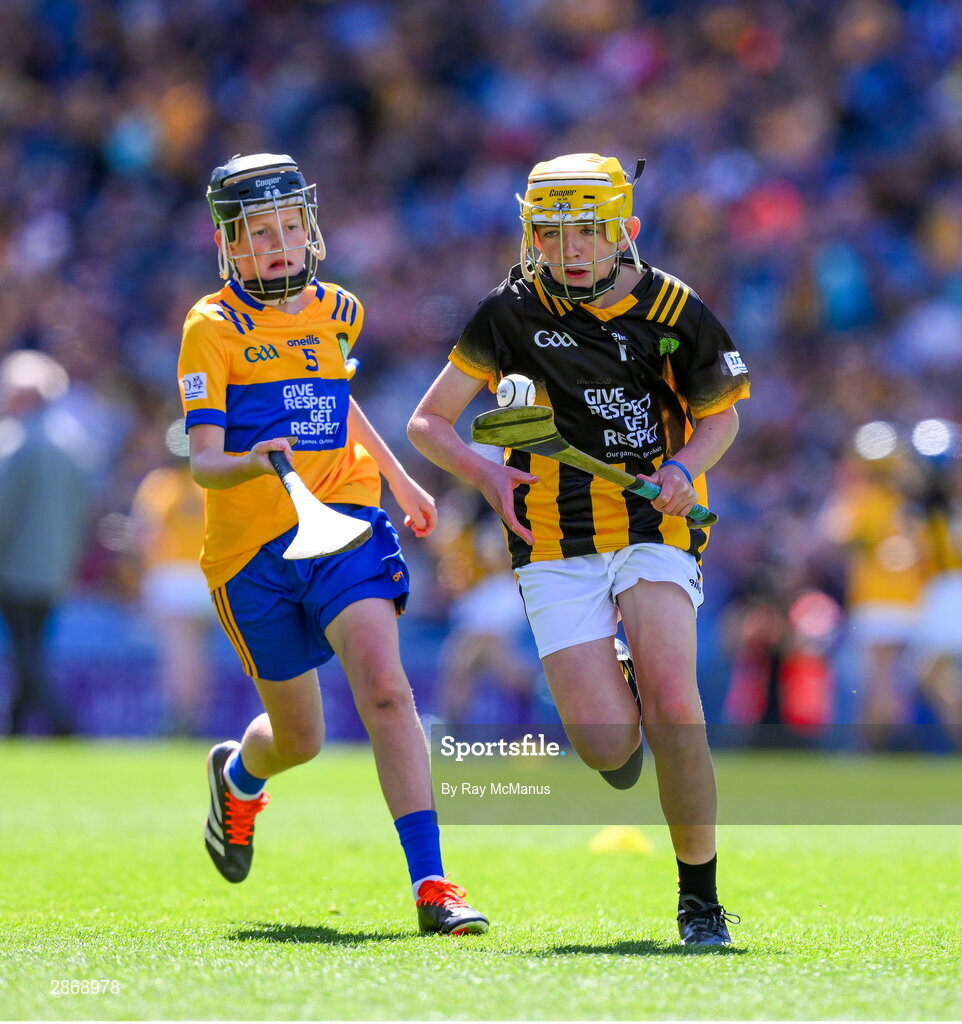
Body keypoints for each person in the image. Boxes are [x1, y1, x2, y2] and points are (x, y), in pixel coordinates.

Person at [408, 153, 750, 945]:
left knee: (676, 705)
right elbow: (428, 422)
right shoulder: (509, 312)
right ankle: (621, 687)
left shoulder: (674, 308)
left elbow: (721, 417)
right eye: (550, 232)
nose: (567, 249)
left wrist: (681, 470)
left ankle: (700, 900)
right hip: (552, 539)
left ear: (625, 231)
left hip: (653, 526)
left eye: (586, 231)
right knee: (607, 747)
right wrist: (487, 475)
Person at [177, 153, 486, 935]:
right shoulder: (210, 328)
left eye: (290, 225)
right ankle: (239, 777)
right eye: (259, 232)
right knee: (301, 739)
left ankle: (433, 884)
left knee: (384, 687)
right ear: (228, 244)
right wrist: (256, 460)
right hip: (250, 554)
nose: (279, 243)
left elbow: (334, 405)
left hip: (345, 519)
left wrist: (401, 480)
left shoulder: (340, 308)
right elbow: (204, 462)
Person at [0, 350, 94, 735]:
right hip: (55, 567)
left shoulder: (16, 441)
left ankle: (62, 723)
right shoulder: (73, 443)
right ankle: (16, 726)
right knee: (32, 645)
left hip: (15, 566)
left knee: (27, 652)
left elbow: (4, 509)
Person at [130, 419, 218, 737]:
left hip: (173, 581)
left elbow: (144, 536)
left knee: (180, 656)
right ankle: (196, 714)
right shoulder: (213, 483)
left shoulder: (160, 484)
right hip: (210, 576)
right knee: (201, 656)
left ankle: (182, 718)